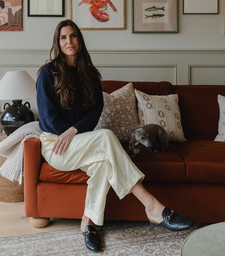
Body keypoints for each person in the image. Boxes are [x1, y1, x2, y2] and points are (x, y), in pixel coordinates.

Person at [36, 19, 194, 253]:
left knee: (103, 164)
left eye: (73, 36)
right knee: (106, 136)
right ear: (57, 42)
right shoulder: (47, 73)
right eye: (63, 37)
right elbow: (47, 117)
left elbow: (94, 112)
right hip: (56, 146)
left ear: (79, 40)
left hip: (82, 144)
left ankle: (87, 223)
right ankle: (151, 205)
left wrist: (75, 131)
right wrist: (68, 132)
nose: (68, 41)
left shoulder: (89, 73)